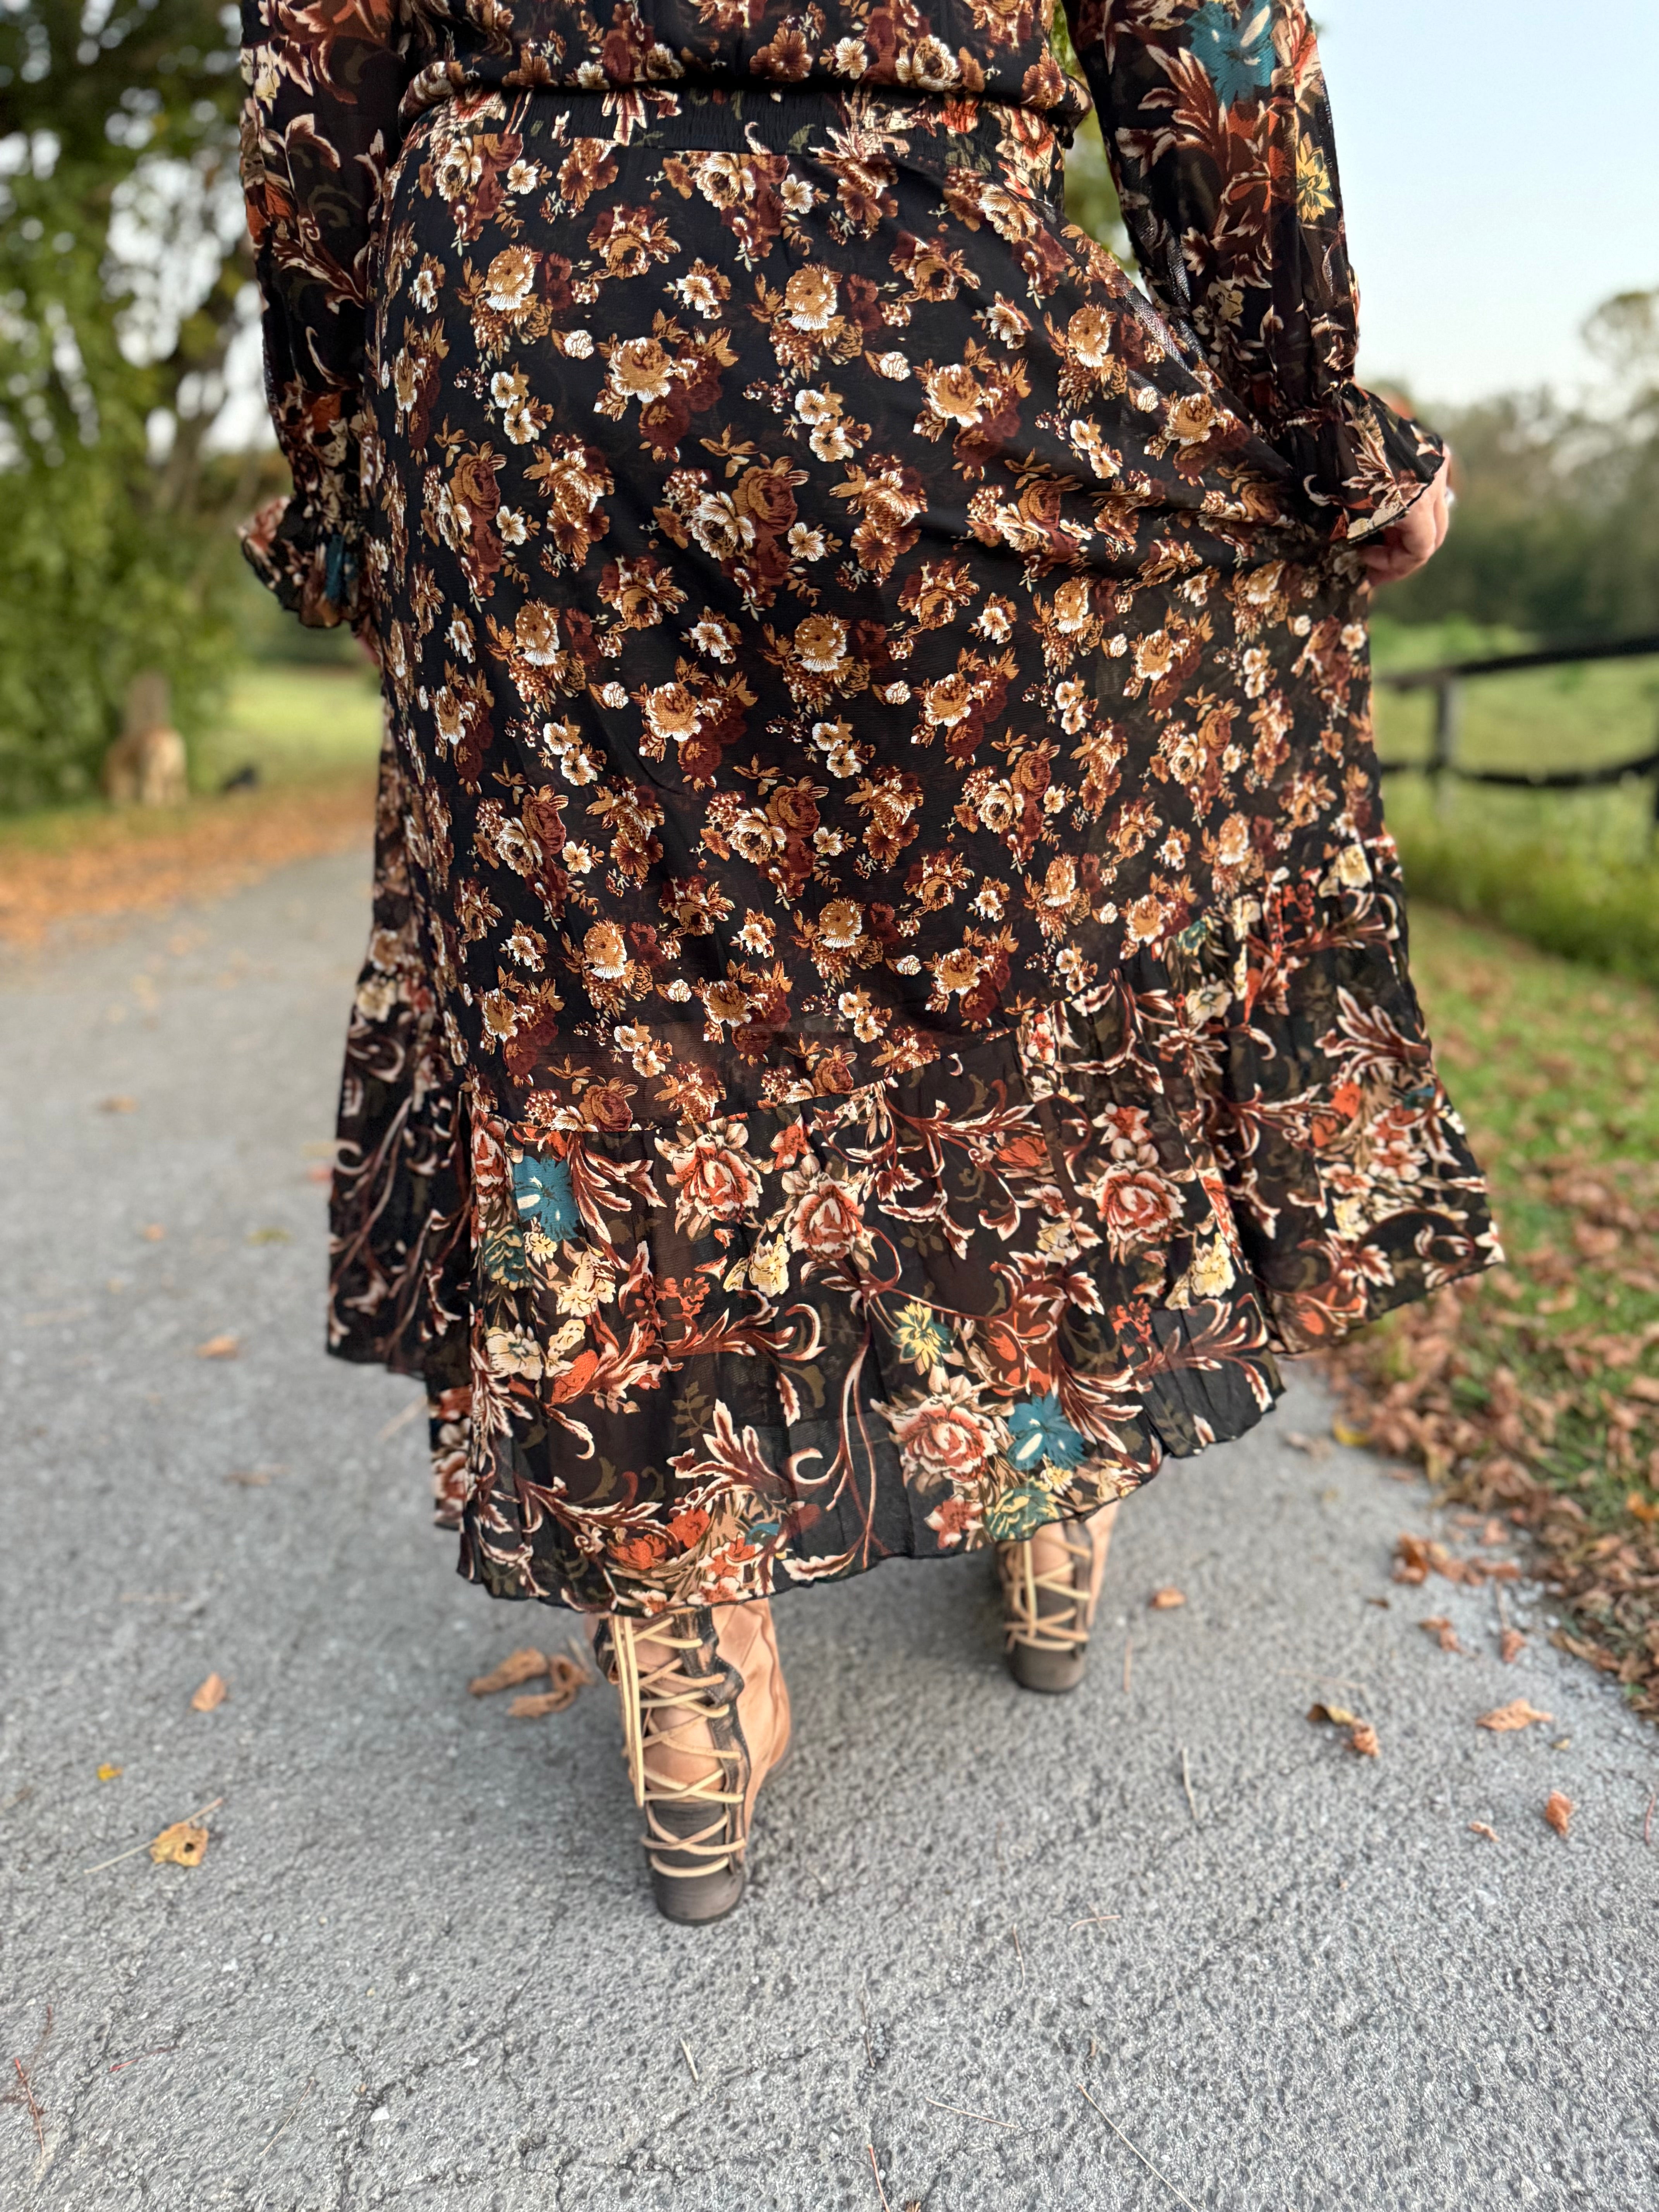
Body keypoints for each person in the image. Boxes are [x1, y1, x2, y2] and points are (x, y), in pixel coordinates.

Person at [239, 0, 1488, 1923]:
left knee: (608, 984)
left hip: (517, 315)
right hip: (940, 304)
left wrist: (348, 470)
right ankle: (1051, 1461)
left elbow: (316, 65)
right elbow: (1207, 38)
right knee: (1043, 911)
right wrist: (1318, 424)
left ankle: (686, 1635)